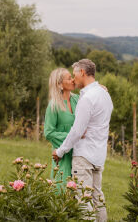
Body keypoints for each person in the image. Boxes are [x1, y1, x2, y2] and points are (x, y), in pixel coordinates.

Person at [52, 59, 113, 222]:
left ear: (83, 73)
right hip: (99, 156)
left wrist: (60, 151)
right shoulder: (104, 94)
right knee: (97, 198)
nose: (73, 79)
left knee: (83, 201)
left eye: (74, 75)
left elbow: (77, 131)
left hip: (84, 157)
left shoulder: (87, 99)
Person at [44, 68, 79, 189]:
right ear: (59, 84)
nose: (73, 80)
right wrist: (72, 139)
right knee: (62, 190)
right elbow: (48, 133)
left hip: (79, 153)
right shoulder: (53, 105)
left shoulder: (77, 99)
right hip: (62, 155)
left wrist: (100, 89)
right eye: (69, 78)